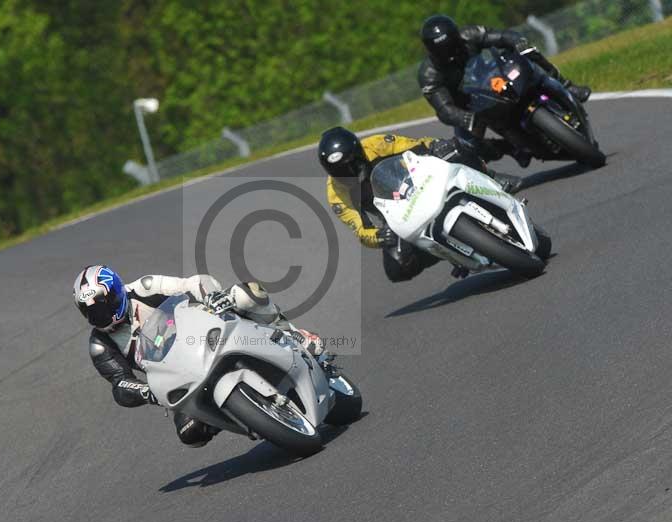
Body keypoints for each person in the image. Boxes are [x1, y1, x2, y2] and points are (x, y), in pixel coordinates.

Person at [73, 265, 328, 448]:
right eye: (93, 312)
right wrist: (145, 391)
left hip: (204, 330)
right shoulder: (101, 343)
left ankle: (292, 334)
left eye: (105, 304)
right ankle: (252, 418)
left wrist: (210, 298)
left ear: (117, 291)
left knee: (246, 294)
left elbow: (192, 283)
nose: (102, 314)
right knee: (190, 432)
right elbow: (120, 384)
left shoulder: (143, 287)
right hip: (180, 374)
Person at [319, 126, 510, 282]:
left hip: (419, 180)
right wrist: (379, 236)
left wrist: (436, 146)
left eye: (353, 165)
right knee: (397, 268)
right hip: (395, 215)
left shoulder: (376, 144)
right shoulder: (336, 195)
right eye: (342, 171)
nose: (351, 172)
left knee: (457, 148)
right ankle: (447, 252)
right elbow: (361, 230)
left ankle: (492, 180)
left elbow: (415, 145)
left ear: (360, 152)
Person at [418, 14, 592, 167]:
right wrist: (466, 118)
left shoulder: (470, 34)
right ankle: (511, 149)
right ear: (432, 51)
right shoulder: (428, 74)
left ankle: (567, 85)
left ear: (457, 37)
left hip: (493, 77)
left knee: (529, 54)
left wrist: (518, 42)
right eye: (443, 50)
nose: (451, 54)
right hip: (470, 106)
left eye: (452, 45)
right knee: (467, 147)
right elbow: (444, 108)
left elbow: (502, 36)